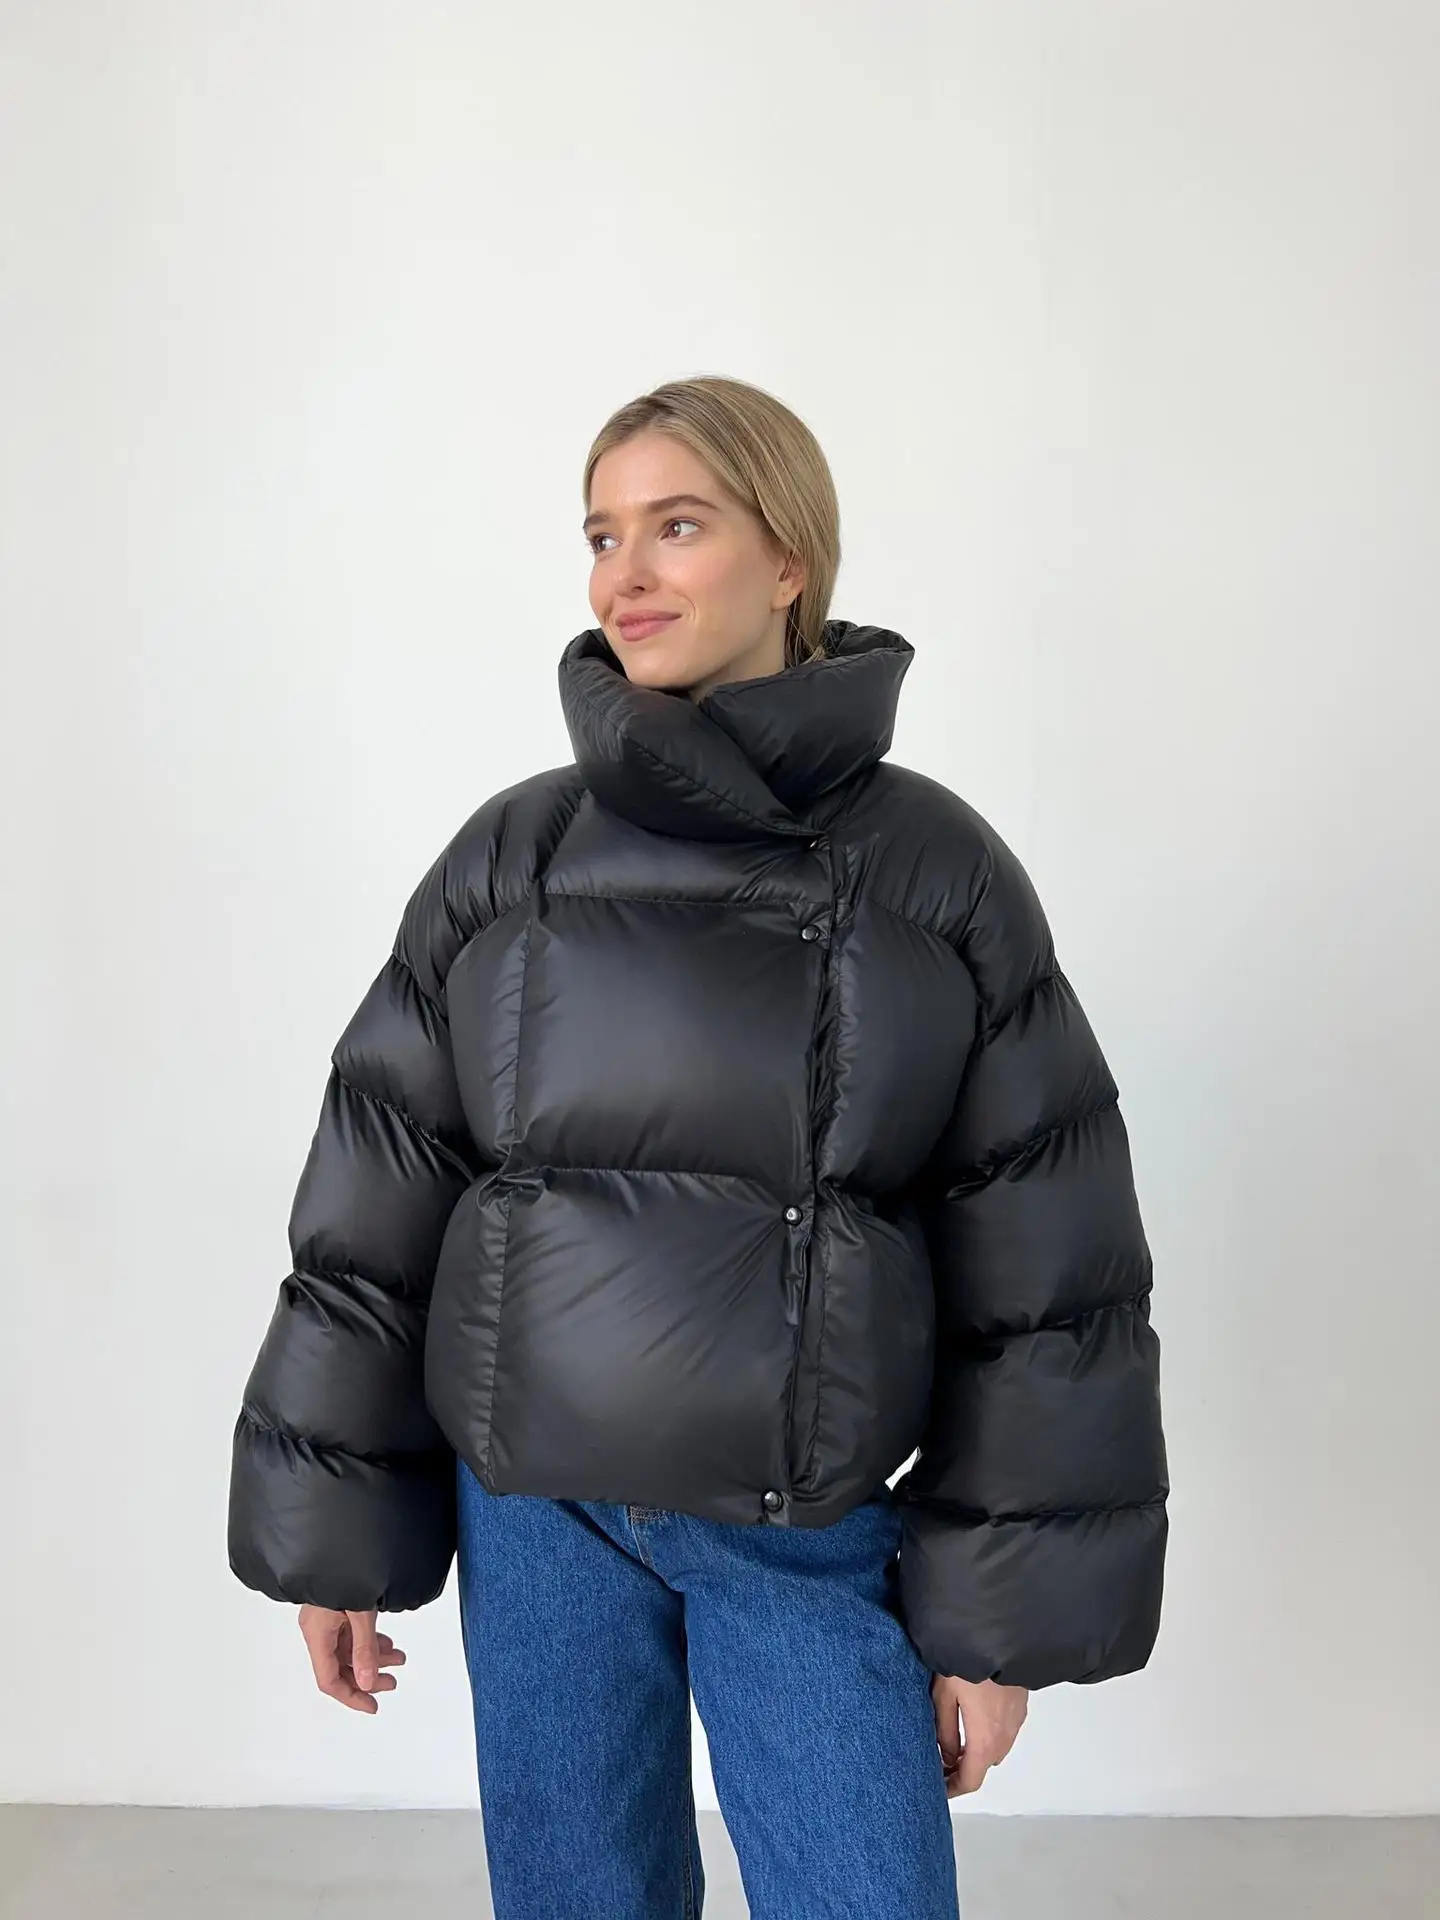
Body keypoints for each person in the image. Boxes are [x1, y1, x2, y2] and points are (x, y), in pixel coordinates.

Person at [227, 374, 1168, 1920]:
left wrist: (996, 1630)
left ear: (788, 557)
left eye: (677, 525)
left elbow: (1048, 1271)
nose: (626, 575)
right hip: (535, 1518)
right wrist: (335, 1535)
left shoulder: (930, 870)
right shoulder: (509, 858)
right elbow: (372, 1213)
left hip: (804, 1527)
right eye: (603, 535)